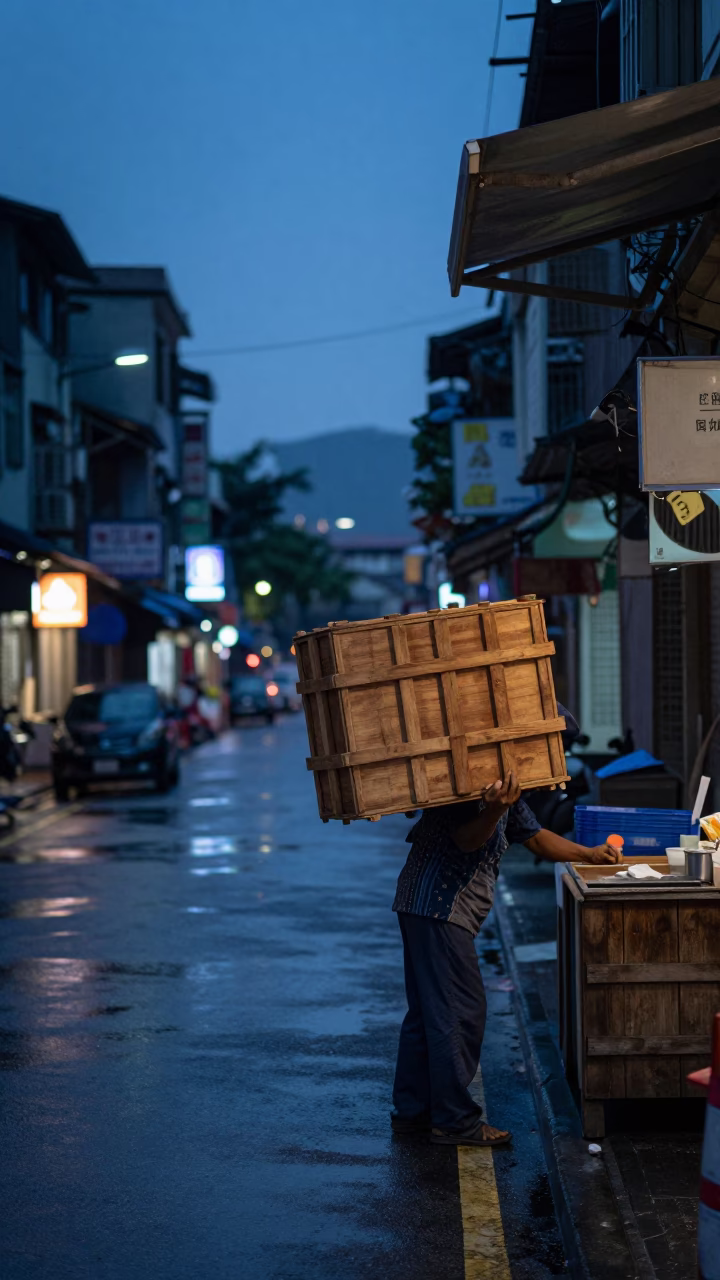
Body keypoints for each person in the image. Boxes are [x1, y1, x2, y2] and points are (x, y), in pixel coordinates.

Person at [391, 723, 623, 1148]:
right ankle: (454, 1121)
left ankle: (413, 1113)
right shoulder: (469, 779)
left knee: (429, 1014)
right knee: (459, 1013)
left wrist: (588, 854)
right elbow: (466, 839)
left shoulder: (506, 788)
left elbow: (534, 838)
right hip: (437, 907)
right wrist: (495, 809)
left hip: (426, 907)